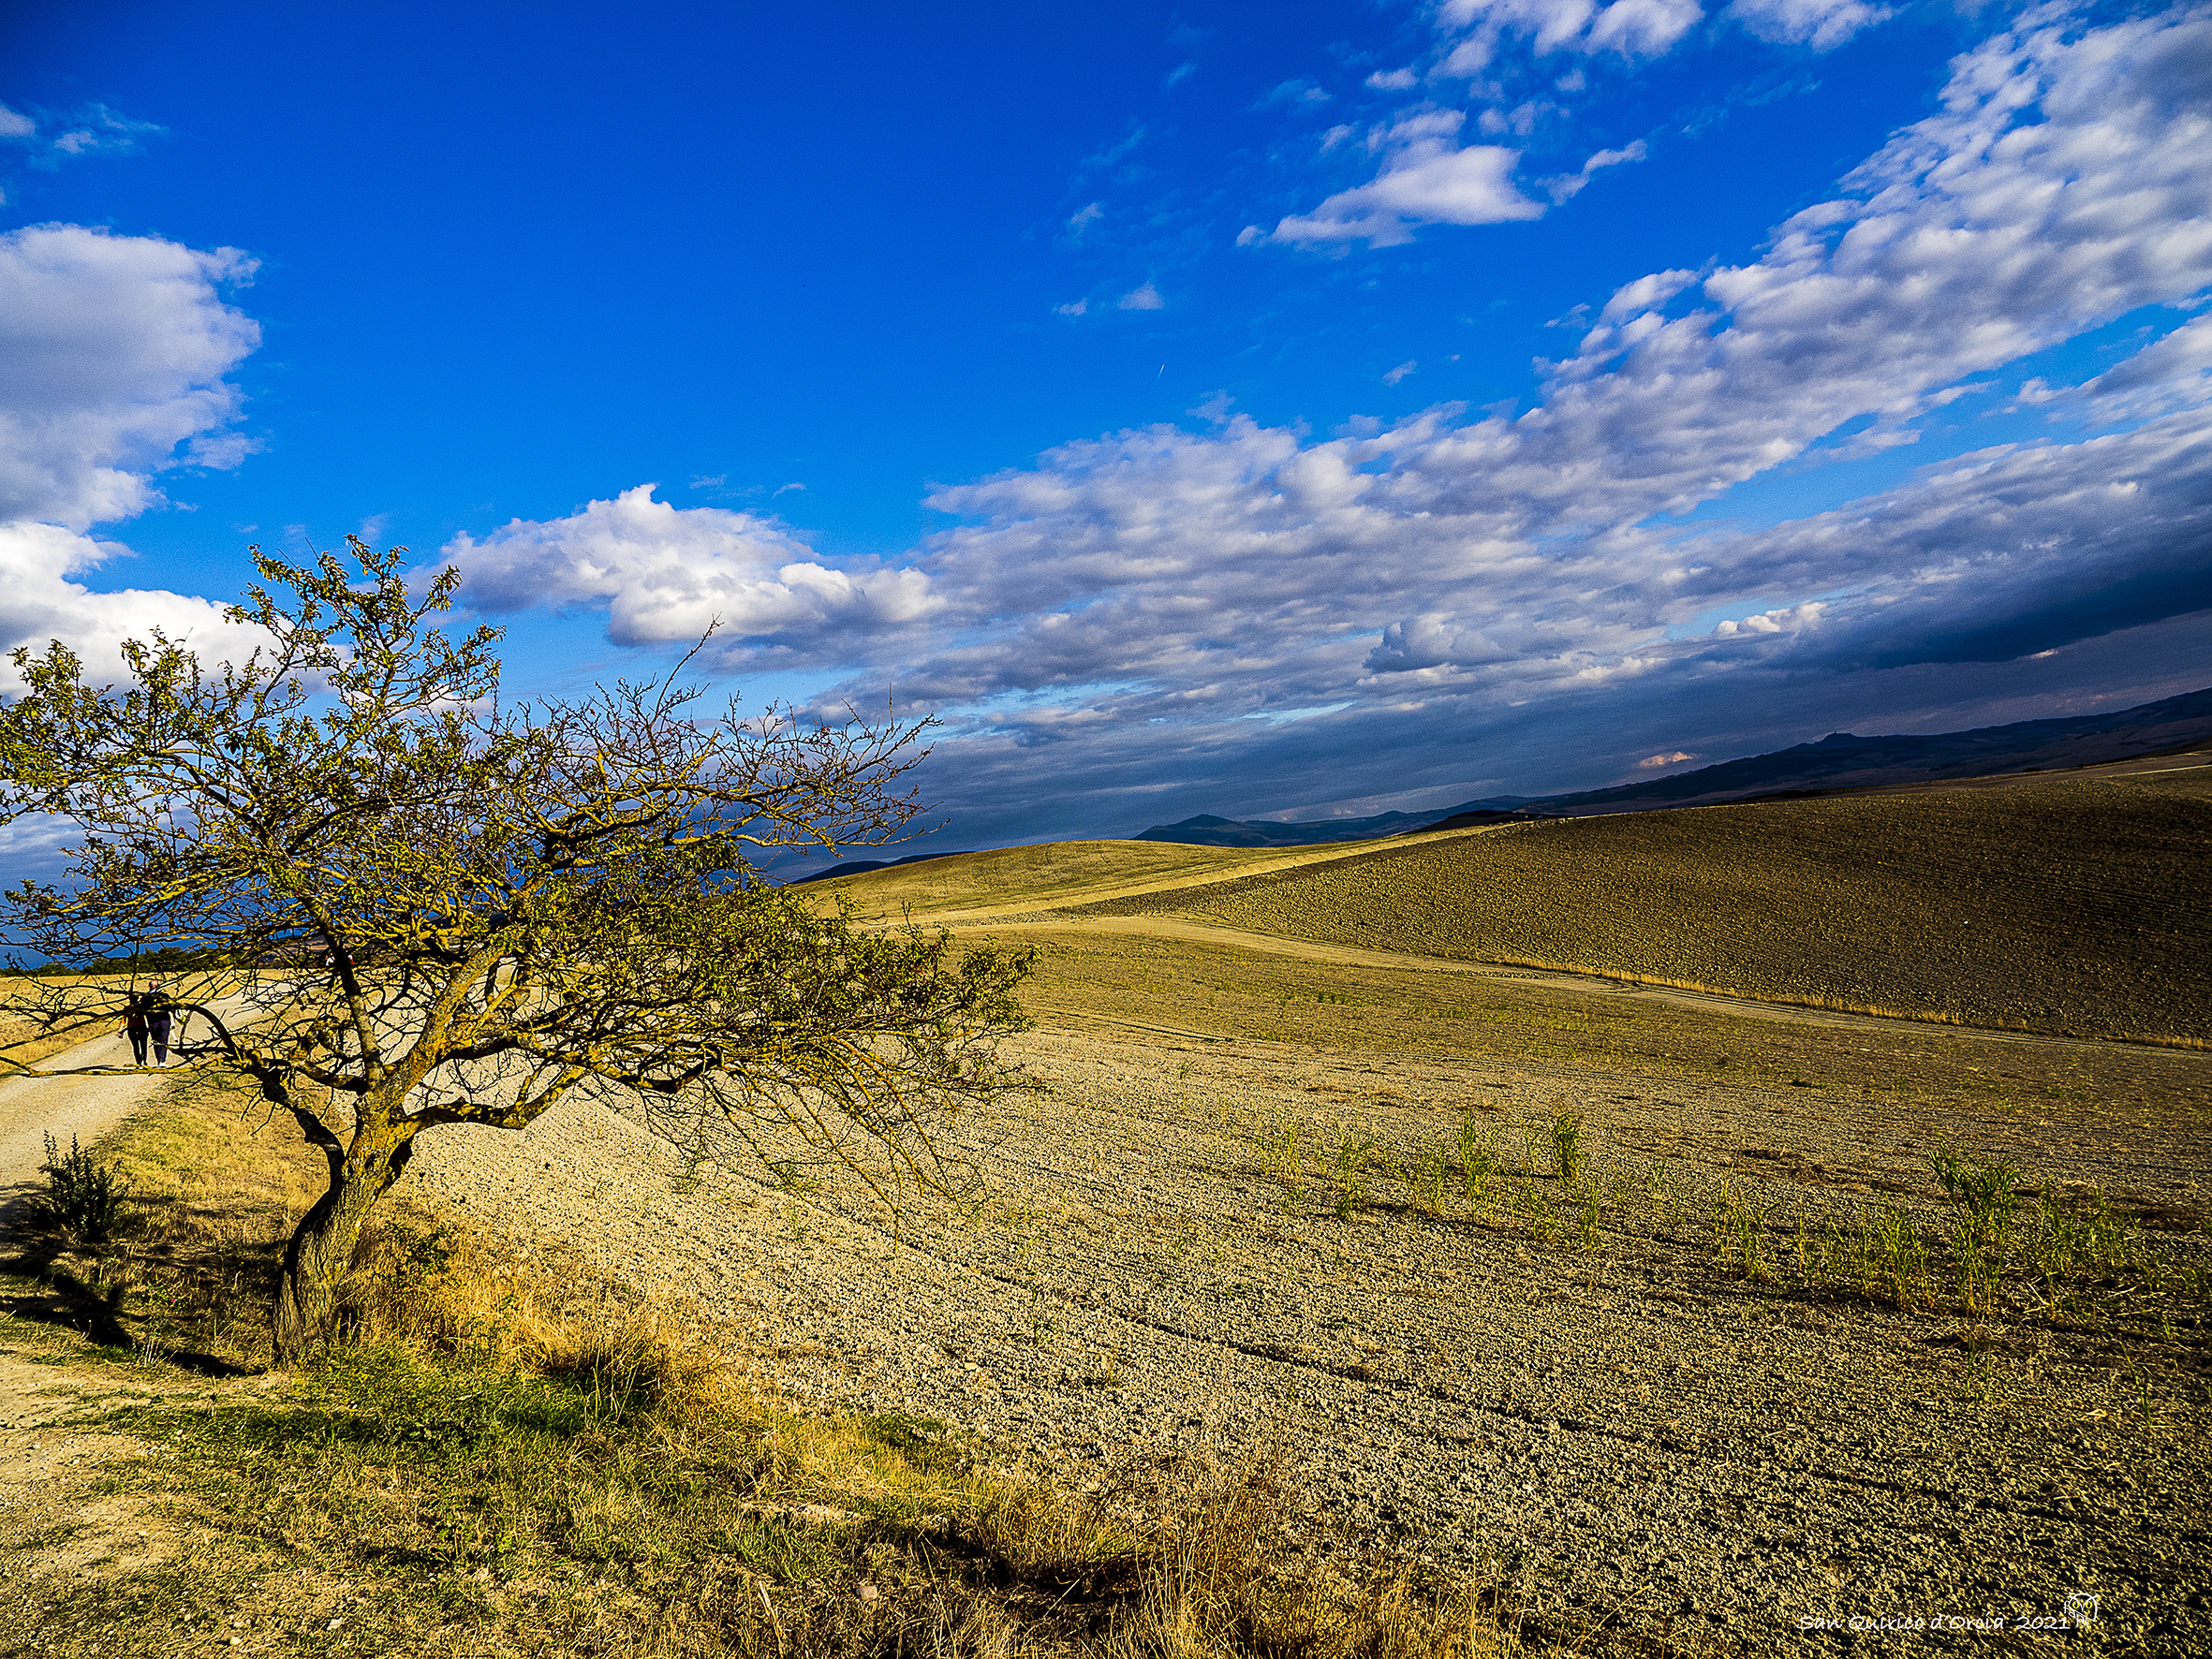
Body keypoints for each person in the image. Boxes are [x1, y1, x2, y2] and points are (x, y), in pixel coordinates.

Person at [121, 983, 173, 1065]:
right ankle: (160, 1059)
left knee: (160, 1039)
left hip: (158, 1021)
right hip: (158, 1021)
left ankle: (160, 1059)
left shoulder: (153, 997)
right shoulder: (150, 997)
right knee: (159, 1040)